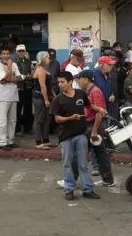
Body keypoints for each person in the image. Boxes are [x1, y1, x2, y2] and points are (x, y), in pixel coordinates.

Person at [50, 71, 103, 201]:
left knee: (83, 164)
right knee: (67, 164)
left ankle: (87, 190)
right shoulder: (57, 99)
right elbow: (57, 119)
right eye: (59, 82)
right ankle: (69, 190)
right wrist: (70, 118)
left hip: (80, 135)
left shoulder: (81, 94)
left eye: (62, 82)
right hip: (65, 137)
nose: (60, 84)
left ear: (70, 82)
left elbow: (89, 105)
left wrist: (99, 109)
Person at [74, 69, 115, 187]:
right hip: (93, 126)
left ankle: (71, 179)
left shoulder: (95, 92)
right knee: (101, 154)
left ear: (86, 79)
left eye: (79, 78)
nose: (78, 81)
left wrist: (94, 131)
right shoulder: (88, 91)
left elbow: (99, 113)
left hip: (94, 126)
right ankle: (108, 180)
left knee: (80, 152)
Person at [0, 49, 25, 151]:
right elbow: (3, 79)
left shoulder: (15, 65)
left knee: (12, 120)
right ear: (0, 56)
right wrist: (10, 67)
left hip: (13, 96)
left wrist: (10, 79)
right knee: (2, 121)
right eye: (3, 54)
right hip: (2, 97)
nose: (6, 55)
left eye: (8, 54)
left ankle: (10, 140)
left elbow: (20, 78)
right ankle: (1, 142)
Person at [32, 51, 55, 149]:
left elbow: (49, 86)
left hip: (46, 97)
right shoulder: (40, 69)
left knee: (46, 119)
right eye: (47, 58)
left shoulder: (45, 69)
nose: (49, 60)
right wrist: (46, 99)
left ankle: (45, 140)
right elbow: (43, 86)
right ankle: (38, 142)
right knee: (39, 119)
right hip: (40, 98)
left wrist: (53, 95)